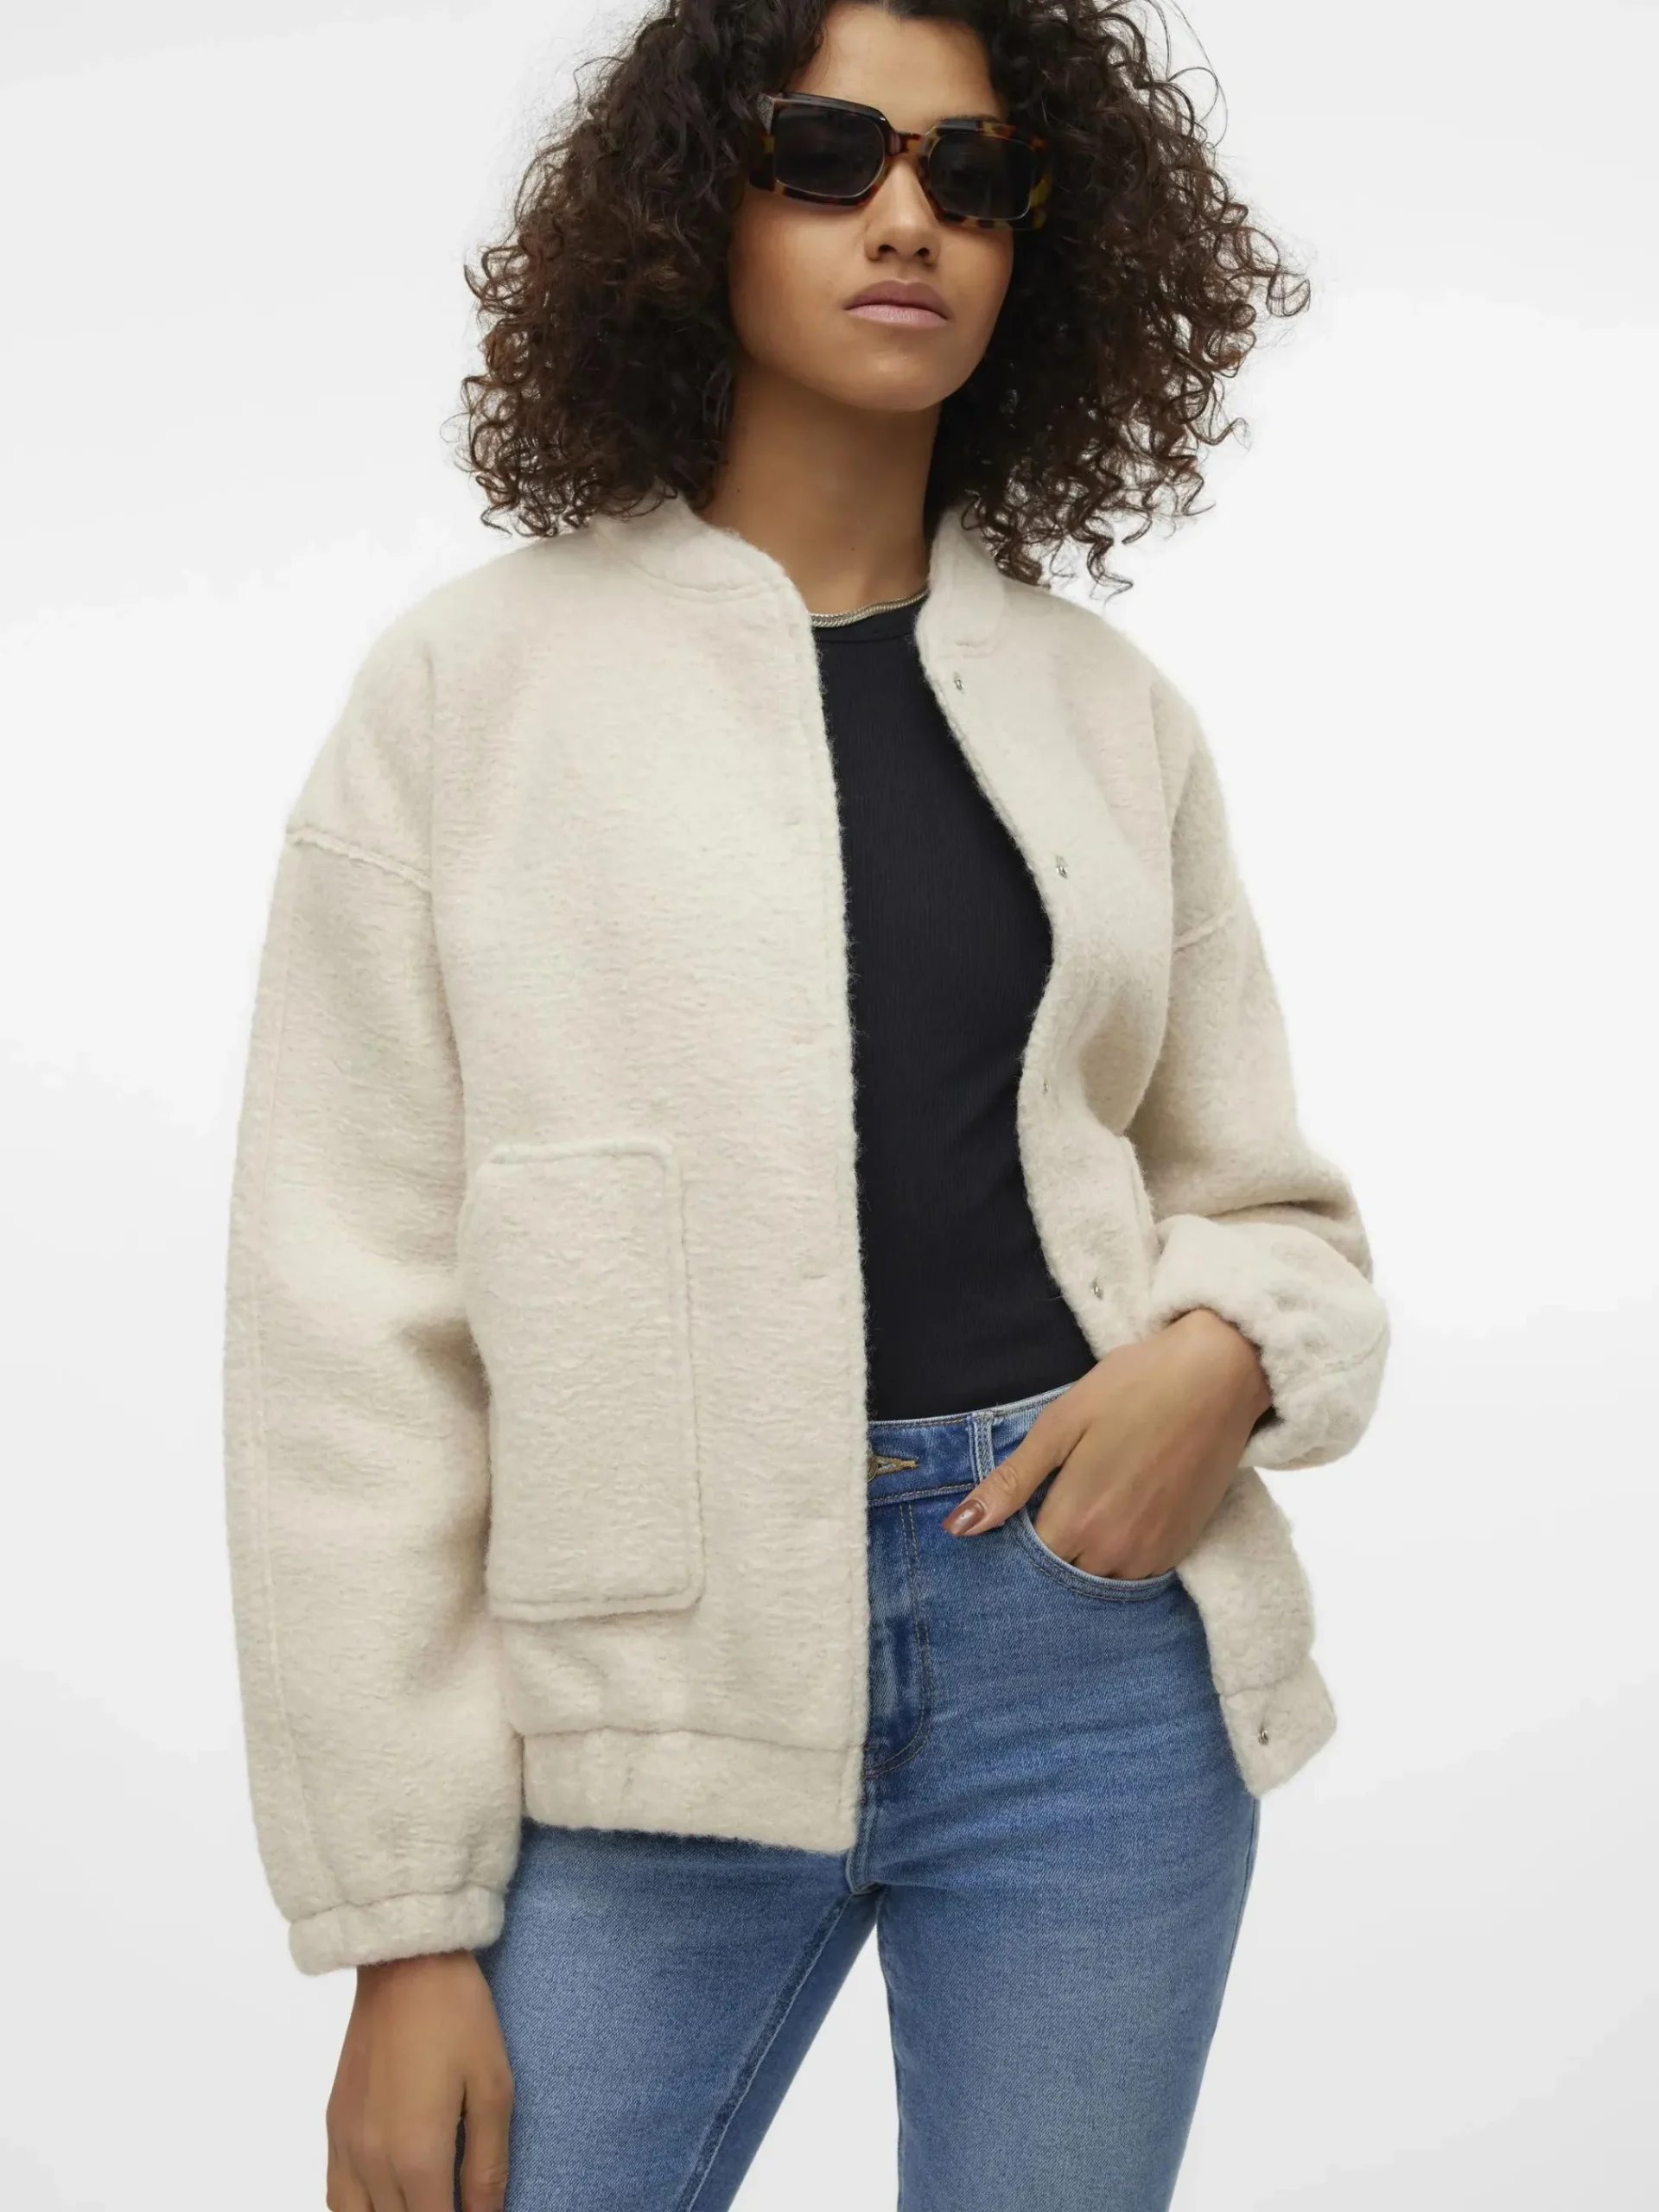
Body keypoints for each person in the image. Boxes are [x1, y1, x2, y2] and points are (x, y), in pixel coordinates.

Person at [219, 3, 1390, 2207]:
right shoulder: (470, 694)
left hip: (1087, 1664)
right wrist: (401, 1922)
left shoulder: (1110, 712)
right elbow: (344, 1337)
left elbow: (1267, 1203)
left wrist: (1223, 1355)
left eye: (975, 174)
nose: (908, 217)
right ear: (697, 206)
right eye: (831, 151)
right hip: (635, 1713)